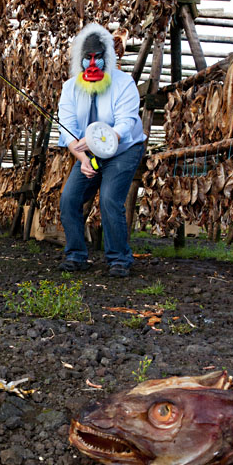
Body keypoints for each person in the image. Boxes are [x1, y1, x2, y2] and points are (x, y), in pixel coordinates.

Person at [57, 22, 147, 278]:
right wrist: (83, 158)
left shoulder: (123, 83)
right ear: (80, 59)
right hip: (92, 155)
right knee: (70, 199)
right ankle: (76, 255)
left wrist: (103, 140)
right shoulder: (70, 88)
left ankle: (119, 259)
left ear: (108, 56)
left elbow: (125, 124)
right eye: (88, 58)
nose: (93, 63)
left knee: (109, 198)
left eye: (98, 57)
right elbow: (68, 128)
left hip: (123, 151)